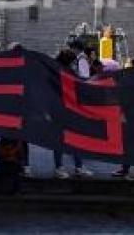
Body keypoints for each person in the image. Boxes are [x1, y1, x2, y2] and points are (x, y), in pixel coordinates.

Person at [54, 39, 92, 178]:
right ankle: (75, 167)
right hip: (67, 108)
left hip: (61, 108)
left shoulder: (57, 72)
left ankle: (63, 167)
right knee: (72, 137)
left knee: (61, 138)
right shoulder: (66, 73)